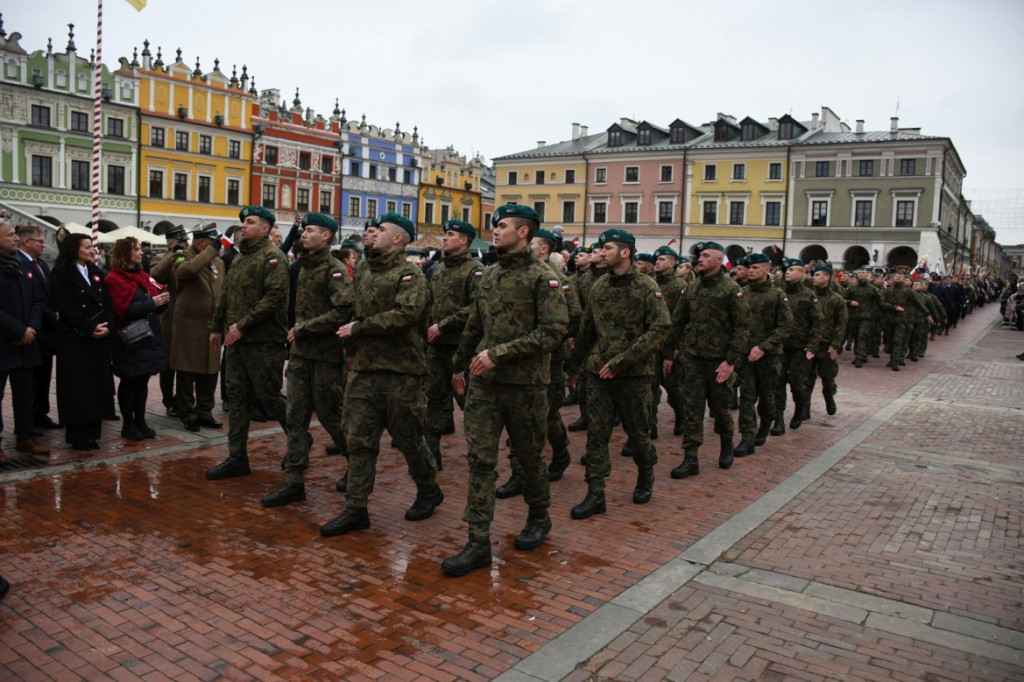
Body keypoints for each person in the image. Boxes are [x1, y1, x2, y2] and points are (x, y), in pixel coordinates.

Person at [440, 205, 568, 576]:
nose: (494, 232)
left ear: (524, 232)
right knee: (480, 460)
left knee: (528, 458)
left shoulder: (544, 278)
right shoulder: (490, 274)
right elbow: (473, 323)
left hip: (526, 386)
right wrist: (458, 365)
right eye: (495, 226)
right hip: (485, 386)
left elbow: (553, 332)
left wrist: (498, 354)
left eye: (502, 226)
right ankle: (478, 541)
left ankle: (539, 517)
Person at [319, 213, 442, 537]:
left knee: (409, 441)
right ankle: (356, 508)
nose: (372, 234)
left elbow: (405, 315)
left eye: (381, 230)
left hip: (402, 373)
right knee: (359, 440)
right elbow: (354, 313)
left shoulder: (410, 276)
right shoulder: (362, 270)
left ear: (398, 239)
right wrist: (351, 354)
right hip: (365, 370)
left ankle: (428, 489)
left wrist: (360, 329)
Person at [570, 228, 670, 518]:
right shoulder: (599, 286)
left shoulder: (646, 287)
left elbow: (660, 329)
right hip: (599, 373)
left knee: (638, 434)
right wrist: (575, 368)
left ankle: (645, 476)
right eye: (601, 249)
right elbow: (587, 330)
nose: (601, 253)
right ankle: (595, 493)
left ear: (625, 252)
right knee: (596, 434)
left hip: (634, 376)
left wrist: (622, 361)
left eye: (607, 248)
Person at [261, 213, 353, 508]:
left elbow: (343, 312)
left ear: (326, 236)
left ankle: (358, 464)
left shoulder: (334, 269)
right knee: (296, 416)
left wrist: (304, 328)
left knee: (330, 417)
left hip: (325, 358)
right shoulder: (301, 266)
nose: (304, 233)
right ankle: (294, 481)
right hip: (301, 355)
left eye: (310, 230)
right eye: (304, 229)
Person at [205, 206, 289, 480]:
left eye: (250, 222)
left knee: (270, 397)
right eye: (243, 222)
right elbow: (226, 295)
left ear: (265, 229)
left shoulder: (273, 258)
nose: (244, 226)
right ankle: (237, 457)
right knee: (238, 399)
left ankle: (299, 441)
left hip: (263, 343)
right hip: (237, 343)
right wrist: (216, 327)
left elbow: (274, 297)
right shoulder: (240, 259)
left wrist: (243, 325)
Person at [665, 241, 751, 479]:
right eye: (699, 256)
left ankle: (726, 444)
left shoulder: (731, 290)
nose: (699, 259)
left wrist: (730, 361)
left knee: (721, 409)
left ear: (718, 260)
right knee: (692, 409)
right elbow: (678, 321)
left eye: (705, 255)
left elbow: (742, 328)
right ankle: (690, 458)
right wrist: (670, 351)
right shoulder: (691, 289)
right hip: (693, 359)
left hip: (718, 362)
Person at [424, 219, 484, 471]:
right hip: (436, 349)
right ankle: (430, 458)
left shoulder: (476, 270)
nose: (445, 239)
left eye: (450, 234)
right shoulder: (438, 270)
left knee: (470, 405)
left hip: (462, 349)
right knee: (433, 402)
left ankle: (480, 458)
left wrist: (444, 325)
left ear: (464, 240)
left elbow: (476, 307)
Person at [50, 233, 115, 450]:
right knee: (78, 388)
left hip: (98, 338)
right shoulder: (61, 273)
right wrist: (88, 328)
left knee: (95, 387)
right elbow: (65, 307)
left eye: (92, 247)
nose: (92, 250)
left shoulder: (96, 272)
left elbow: (107, 302)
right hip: (74, 339)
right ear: (74, 249)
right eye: (87, 247)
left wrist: (106, 326)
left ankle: (92, 433)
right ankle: (78, 435)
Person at [105, 238, 170, 441]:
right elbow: (120, 310)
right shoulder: (114, 279)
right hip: (129, 339)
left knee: (142, 381)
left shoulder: (142, 276)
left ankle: (140, 420)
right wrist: (151, 303)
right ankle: (128, 424)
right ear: (125, 253)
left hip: (147, 337)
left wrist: (161, 303)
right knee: (130, 381)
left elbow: (149, 305)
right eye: (137, 249)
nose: (141, 252)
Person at [733, 253, 792, 456]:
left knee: (767, 397)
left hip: (769, 356)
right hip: (746, 356)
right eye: (749, 267)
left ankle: (766, 423)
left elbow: (785, 327)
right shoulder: (742, 293)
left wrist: (763, 347)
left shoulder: (777, 295)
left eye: (755, 267)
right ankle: (746, 438)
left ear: (767, 269)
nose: (750, 270)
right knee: (747, 397)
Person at [169, 225, 225, 432]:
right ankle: (187, 413)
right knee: (187, 371)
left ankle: (204, 411)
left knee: (210, 371)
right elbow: (187, 271)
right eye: (212, 243)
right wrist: (211, 252)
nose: (216, 248)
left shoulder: (217, 262)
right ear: (202, 242)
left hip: (212, 326)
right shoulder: (181, 257)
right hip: (189, 326)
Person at [1, 220, 47, 460]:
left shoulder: (23, 264)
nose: (15, 239)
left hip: (27, 342)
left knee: (25, 393)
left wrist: (31, 327)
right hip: (4, 342)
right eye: (10, 235)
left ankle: (25, 437)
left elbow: (37, 300)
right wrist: (18, 330)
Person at [15, 225, 60, 431]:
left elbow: (48, 293)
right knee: (31, 379)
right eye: (40, 241)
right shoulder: (20, 263)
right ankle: (30, 419)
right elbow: (34, 298)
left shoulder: (41, 263)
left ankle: (41, 413)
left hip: (46, 330)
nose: (43, 245)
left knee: (44, 376)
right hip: (34, 329)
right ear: (27, 242)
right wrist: (49, 316)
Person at [775, 258, 821, 430]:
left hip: (800, 347)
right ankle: (778, 419)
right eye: (786, 270)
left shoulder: (809, 295)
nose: (787, 272)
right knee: (777, 382)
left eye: (792, 270)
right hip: (780, 345)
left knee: (796, 381)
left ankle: (800, 409)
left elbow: (817, 322)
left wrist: (812, 346)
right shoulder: (779, 292)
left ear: (802, 274)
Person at [150, 226, 188, 417]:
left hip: (187, 317)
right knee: (168, 362)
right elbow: (157, 274)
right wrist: (173, 254)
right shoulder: (161, 258)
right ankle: (168, 399)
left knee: (183, 361)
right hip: (169, 317)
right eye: (180, 241)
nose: (184, 244)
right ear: (171, 242)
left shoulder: (188, 257)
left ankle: (183, 399)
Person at [652, 245, 688, 437]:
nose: (657, 262)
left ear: (673, 263)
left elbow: (683, 320)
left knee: (673, 386)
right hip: (651, 345)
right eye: (656, 259)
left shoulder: (680, 286)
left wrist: (675, 347)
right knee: (649, 387)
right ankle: (651, 425)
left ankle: (681, 413)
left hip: (670, 345)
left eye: (662, 259)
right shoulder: (649, 283)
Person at [806, 264, 847, 412]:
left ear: (827, 277)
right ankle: (805, 408)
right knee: (807, 378)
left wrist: (835, 345)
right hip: (810, 344)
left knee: (827, 377)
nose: (814, 277)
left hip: (826, 344)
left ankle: (829, 398)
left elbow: (841, 324)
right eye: (814, 275)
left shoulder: (836, 299)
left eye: (817, 275)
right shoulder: (809, 296)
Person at [845, 269, 882, 368]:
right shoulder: (852, 288)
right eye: (860, 273)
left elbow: (879, 302)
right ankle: (859, 354)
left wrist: (873, 313)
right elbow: (843, 299)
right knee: (856, 336)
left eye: (864, 273)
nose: (861, 275)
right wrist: (850, 302)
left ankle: (859, 358)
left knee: (863, 335)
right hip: (854, 316)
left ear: (867, 275)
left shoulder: (872, 289)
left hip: (866, 317)